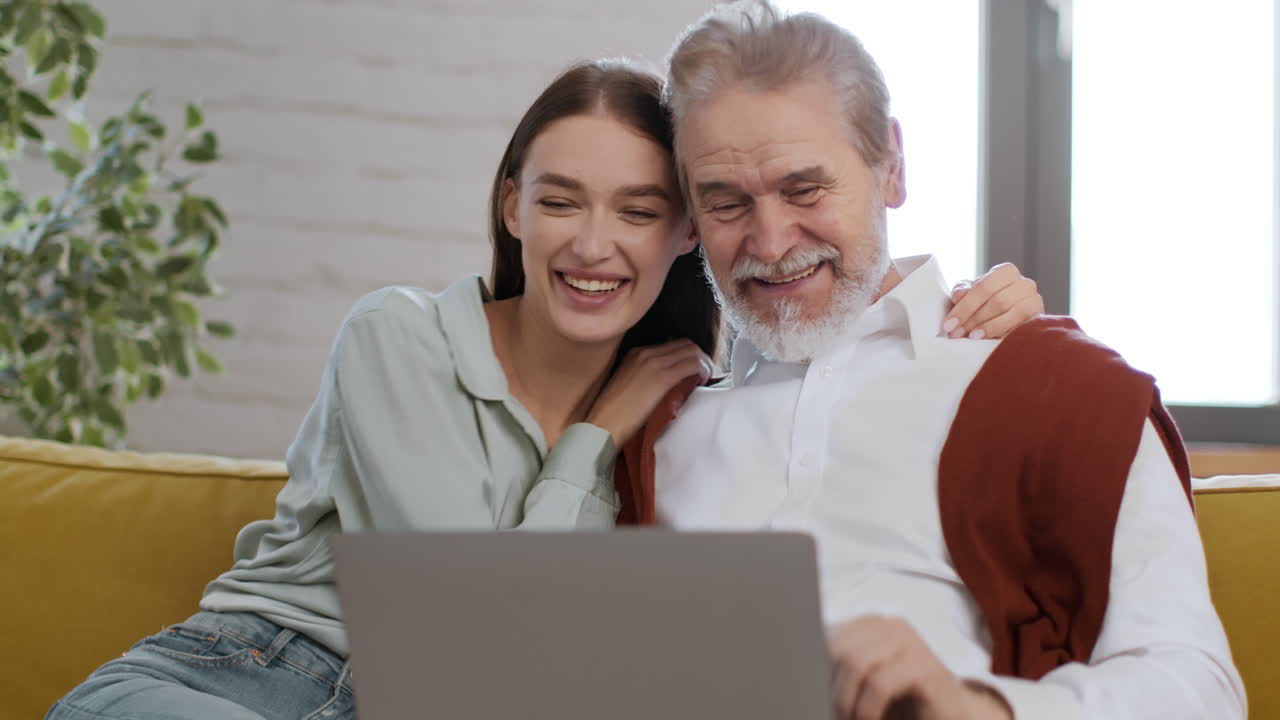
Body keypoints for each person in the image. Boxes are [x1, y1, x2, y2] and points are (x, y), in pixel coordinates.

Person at [46, 58, 1043, 720]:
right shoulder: (399, 338)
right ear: (511, 208)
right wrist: (593, 438)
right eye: (560, 201)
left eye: (637, 211)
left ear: (686, 232)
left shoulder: (689, 414)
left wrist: (979, 307)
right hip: (238, 676)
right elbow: (474, 636)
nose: (592, 244)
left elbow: (838, 354)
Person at [641, 3, 1247, 720]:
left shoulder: (1061, 393)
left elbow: (1200, 691)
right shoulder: (656, 432)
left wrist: (974, 707)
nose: (771, 242)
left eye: (805, 189)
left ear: (891, 168)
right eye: (726, 204)